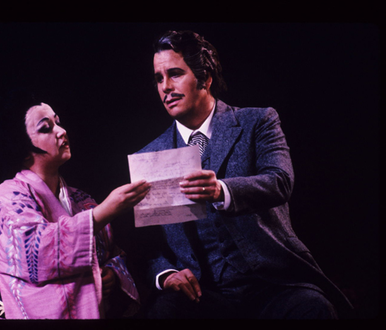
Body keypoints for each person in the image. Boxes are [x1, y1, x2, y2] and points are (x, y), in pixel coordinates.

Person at [134, 30, 352, 319]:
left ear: (205, 77)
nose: (165, 87)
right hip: (203, 293)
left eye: (175, 74)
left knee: (314, 309)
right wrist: (167, 273)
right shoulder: (150, 157)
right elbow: (150, 247)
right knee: (163, 311)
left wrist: (222, 190)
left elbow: (280, 181)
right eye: (159, 78)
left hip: (272, 284)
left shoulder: (257, 121)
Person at [0, 90, 151, 319]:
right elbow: (37, 250)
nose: (61, 131)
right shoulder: (8, 197)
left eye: (58, 122)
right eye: (46, 128)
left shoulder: (81, 200)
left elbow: (112, 252)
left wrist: (110, 274)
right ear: (23, 149)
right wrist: (103, 213)